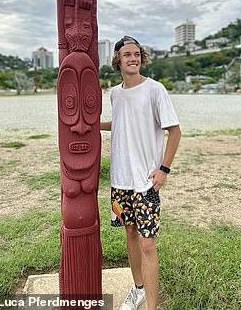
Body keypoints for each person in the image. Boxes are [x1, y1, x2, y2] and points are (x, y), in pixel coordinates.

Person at [100, 36, 181, 310]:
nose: (133, 58)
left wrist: (163, 170)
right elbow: (123, 121)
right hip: (120, 180)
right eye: (127, 55)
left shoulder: (155, 90)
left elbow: (175, 130)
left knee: (148, 244)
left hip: (145, 182)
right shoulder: (115, 93)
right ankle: (138, 290)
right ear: (118, 61)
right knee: (130, 234)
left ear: (142, 58)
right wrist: (93, 125)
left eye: (137, 54)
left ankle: (152, 307)